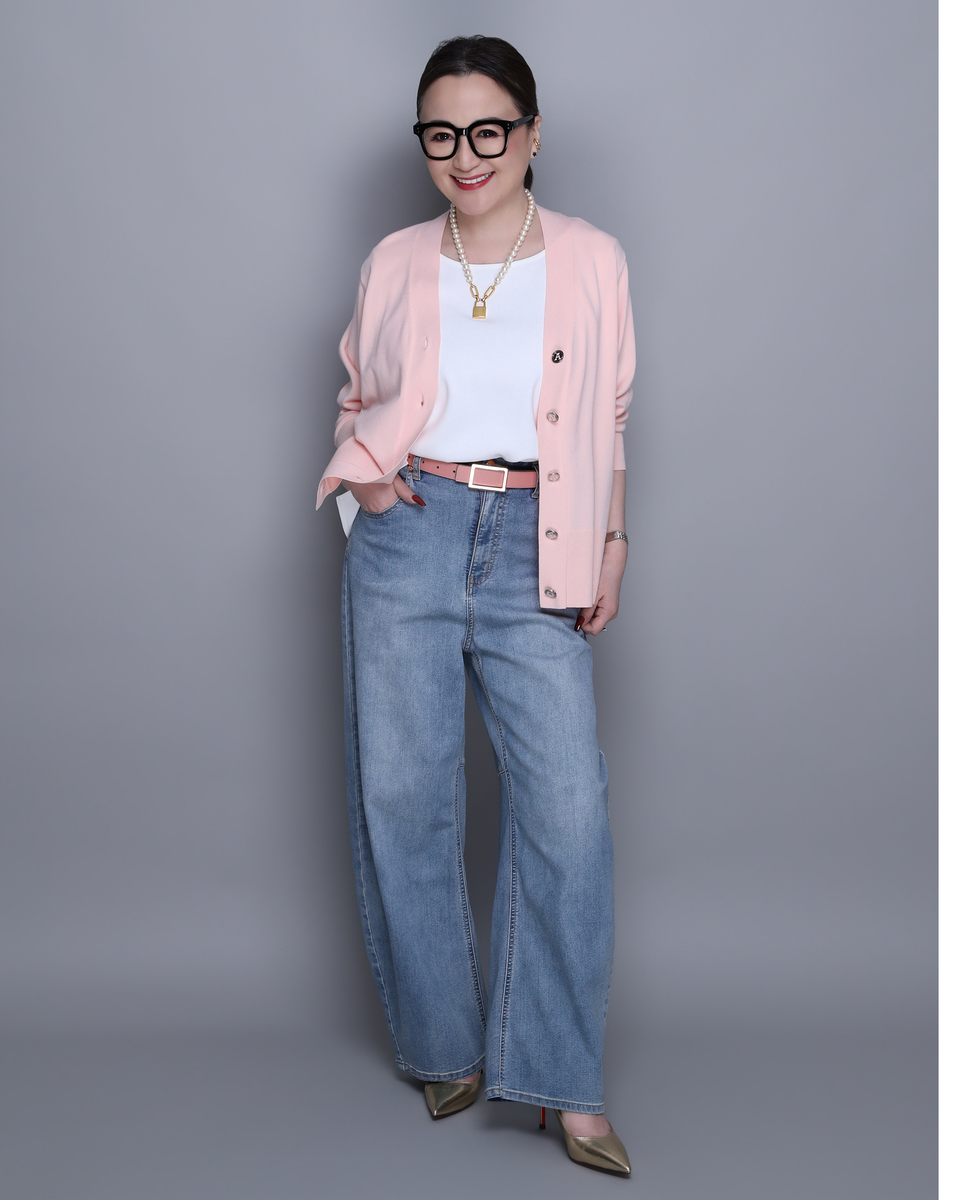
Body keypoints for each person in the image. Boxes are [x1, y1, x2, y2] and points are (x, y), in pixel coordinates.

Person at [315, 35, 634, 1177]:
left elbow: (609, 413)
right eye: (442, 134)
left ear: (533, 134)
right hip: (410, 534)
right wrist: (369, 491)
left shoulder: (592, 258)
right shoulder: (396, 258)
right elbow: (360, 391)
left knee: (568, 812)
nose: (467, 154)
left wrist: (610, 540)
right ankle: (442, 1045)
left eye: (490, 129)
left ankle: (562, 1080)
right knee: (404, 798)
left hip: (538, 542)